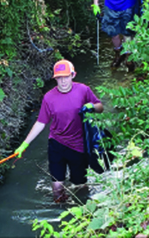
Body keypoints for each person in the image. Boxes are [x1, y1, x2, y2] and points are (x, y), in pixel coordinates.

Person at [14, 60, 103, 203]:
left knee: (80, 184)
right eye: (59, 78)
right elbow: (41, 122)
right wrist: (25, 144)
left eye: (66, 77)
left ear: (73, 75)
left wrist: (92, 106)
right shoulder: (49, 97)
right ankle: (60, 212)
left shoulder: (83, 90)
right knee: (57, 185)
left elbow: (100, 107)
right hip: (56, 144)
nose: (63, 81)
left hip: (79, 146)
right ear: (55, 78)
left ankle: (83, 210)